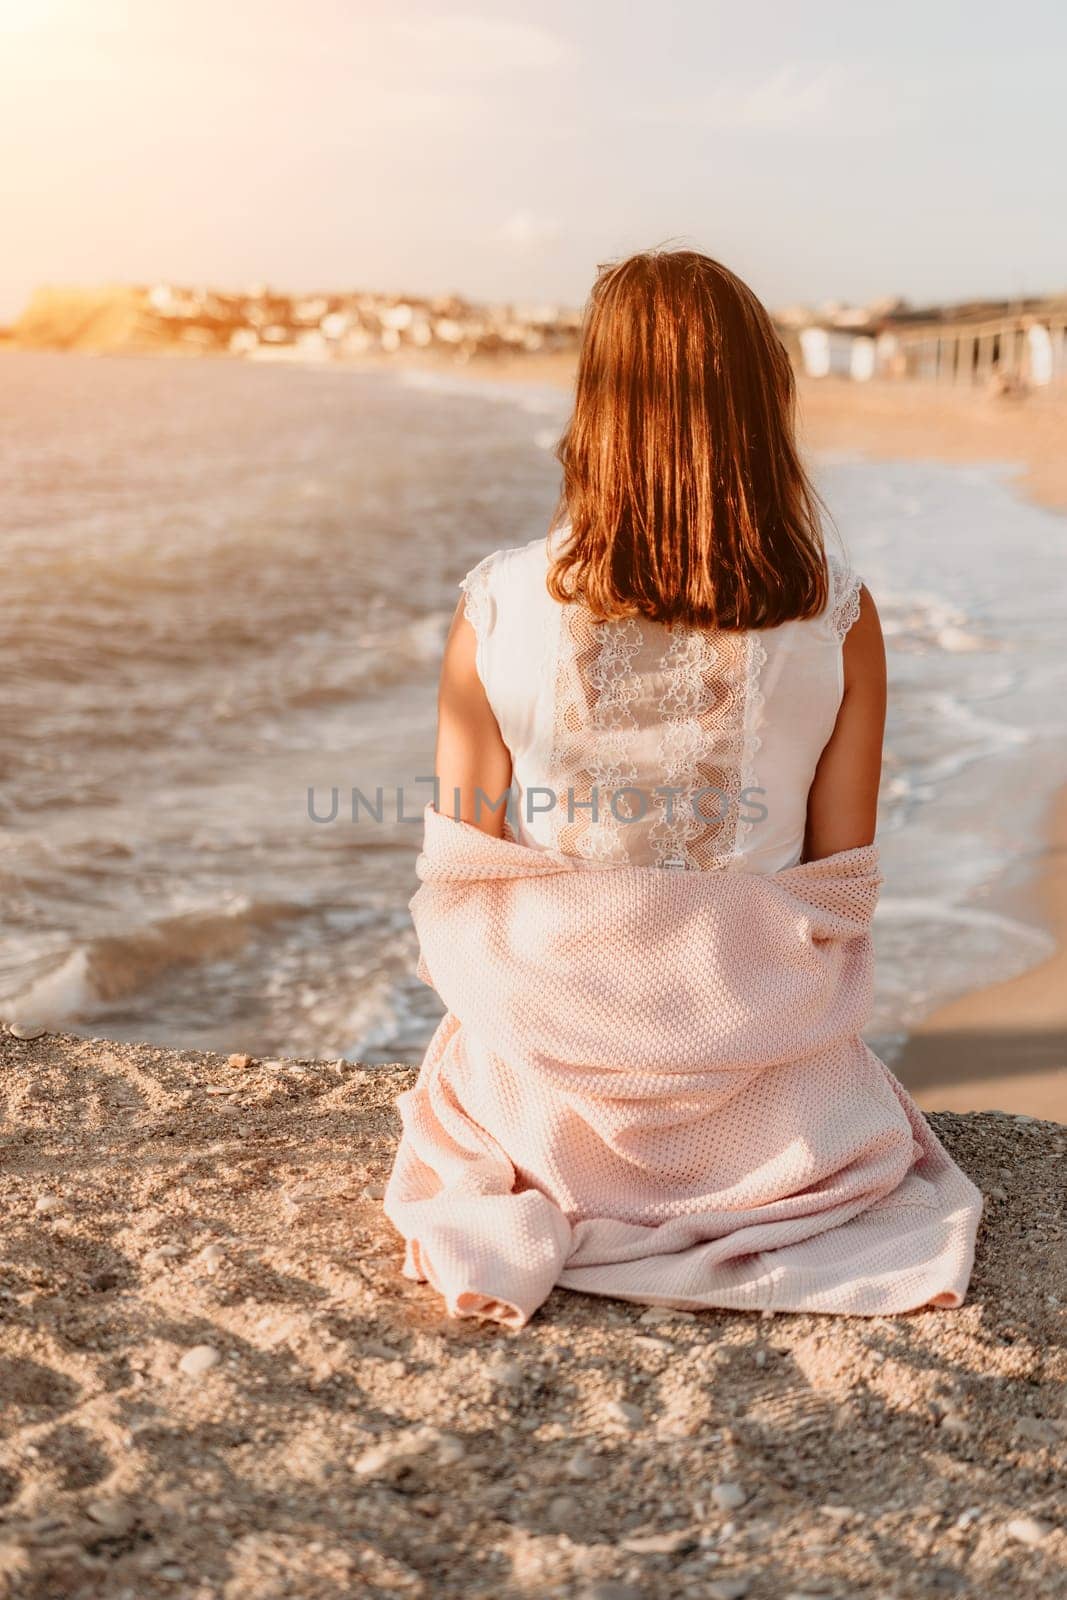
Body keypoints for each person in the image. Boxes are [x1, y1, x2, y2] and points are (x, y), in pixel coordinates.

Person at [383, 249, 982, 1328]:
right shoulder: (838, 614)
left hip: (548, 1098)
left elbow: (461, 873)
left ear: (594, 406)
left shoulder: (496, 602)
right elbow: (838, 881)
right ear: (762, 404)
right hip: (763, 1094)